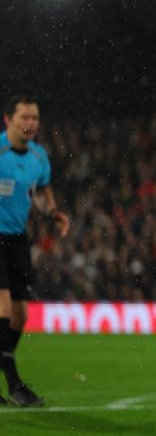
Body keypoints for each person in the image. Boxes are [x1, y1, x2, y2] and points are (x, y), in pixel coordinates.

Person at [0, 94, 70, 407]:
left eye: (34, 118)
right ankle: (15, 385)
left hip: (17, 240)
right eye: (24, 118)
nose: (30, 123)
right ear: (8, 120)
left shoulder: (39, 156)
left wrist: (53, 212)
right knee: (2, 309)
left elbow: (41, 190)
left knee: (21, 315)